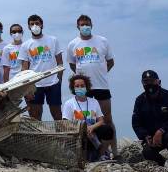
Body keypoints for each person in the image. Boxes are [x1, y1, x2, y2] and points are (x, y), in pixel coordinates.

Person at [67, 14, 117, 153]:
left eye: (87, 24)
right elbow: (72, 64)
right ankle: (89, 150)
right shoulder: (72, 44)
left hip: (101, 85)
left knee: (107, 119)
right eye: (82, 24)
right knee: (85, 117)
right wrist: (83, 78)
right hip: (83, 87)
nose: (85, 27)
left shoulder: (103, 41)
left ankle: (114, 151)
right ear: (78, 26)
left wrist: (100, 72)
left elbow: (110, 62)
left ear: (92, 25)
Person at [132, 70, 168, 171]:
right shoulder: (139, 100)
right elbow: (136, 123)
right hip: (151, 138)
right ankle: (163, 164)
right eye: (146, 82)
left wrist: (161, 130)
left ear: (159, 82)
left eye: (152, 81)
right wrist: (145, 136)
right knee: (147, 152)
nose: (149, 84)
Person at [18, 14, 63, 120]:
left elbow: (60, 62)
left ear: (42, 25)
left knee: (57, 115)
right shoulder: (26, 45)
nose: (34, 26)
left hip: (53, 83)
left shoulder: (53, 40)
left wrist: (59, 80)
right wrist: (27, 88)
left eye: (37, 23)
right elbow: (24, 69)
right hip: (35, 85)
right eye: (32, 24)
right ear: (29, 27)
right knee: (35, 116)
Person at [62, 74, 114, 161]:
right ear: (73, 88)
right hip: (77, 133)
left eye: (82, 86)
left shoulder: (93, 102)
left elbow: (101, 120)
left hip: (93, 132)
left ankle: (101, 155)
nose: (80, 88)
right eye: (77, 86)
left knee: (108, 130)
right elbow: (65, 123)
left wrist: (92, 127)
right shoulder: (69, 103)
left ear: (87, 87)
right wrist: (81, 129)